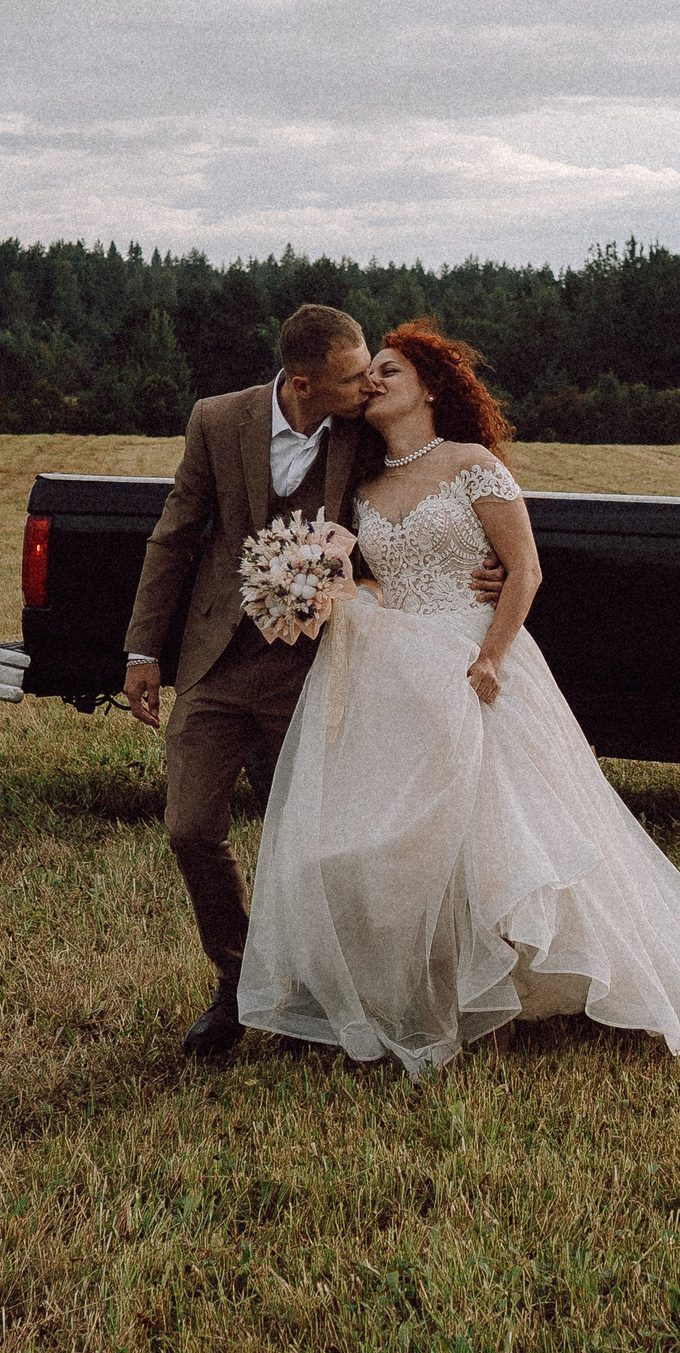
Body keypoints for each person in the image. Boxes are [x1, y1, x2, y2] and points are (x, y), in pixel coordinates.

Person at [235, 320, 680, 1075]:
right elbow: (382, 576)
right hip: (393, 664)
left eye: (390, 370)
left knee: (494, 836)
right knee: (400, 836)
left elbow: (524, 568)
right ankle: (414, 988)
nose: (374, 381)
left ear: (432, 386)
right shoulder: (365, 485)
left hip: (475, 662)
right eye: (368, 373)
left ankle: (496, 997)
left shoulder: (473, 466)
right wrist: (327, 587)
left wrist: (492, 657)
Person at [121, 306, 469, 1057]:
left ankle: (317, 993)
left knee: (318, 841)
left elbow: (426, 488)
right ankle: (238, 979)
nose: (368, 384)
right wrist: (142, 649)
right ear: (305, 383)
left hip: (315, 672)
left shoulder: (361, 429)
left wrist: (483, 556)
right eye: (353, 377)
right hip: (217, 661)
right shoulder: (217, 421)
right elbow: (175, 533)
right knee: (189, 827)